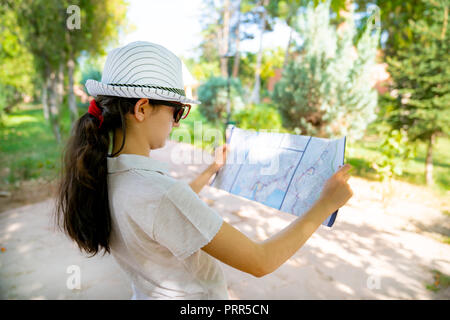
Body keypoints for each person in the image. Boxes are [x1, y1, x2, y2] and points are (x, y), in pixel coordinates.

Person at [54, 41, 353, 300]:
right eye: (177, 111)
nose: (177, 122)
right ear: (142, 108)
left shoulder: (101, 173)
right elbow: (261, 262)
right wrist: (325, 204)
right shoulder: (159, 194)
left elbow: (163, 215)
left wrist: (211, 170)